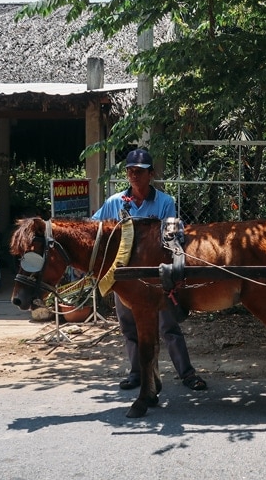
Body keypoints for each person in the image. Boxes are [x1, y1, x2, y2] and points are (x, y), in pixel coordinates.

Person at [92, 148, 208, 391]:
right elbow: (94, 229)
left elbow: (172, 238)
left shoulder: (165, 203)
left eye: (139, 171)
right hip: (123, 279)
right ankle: (137, 374)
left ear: (151, 174)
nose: (134, 175)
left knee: (168, 327)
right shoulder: (115, 203)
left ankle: (187, 374)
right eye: (130, 171)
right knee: (129, 327)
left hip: (156, 280)